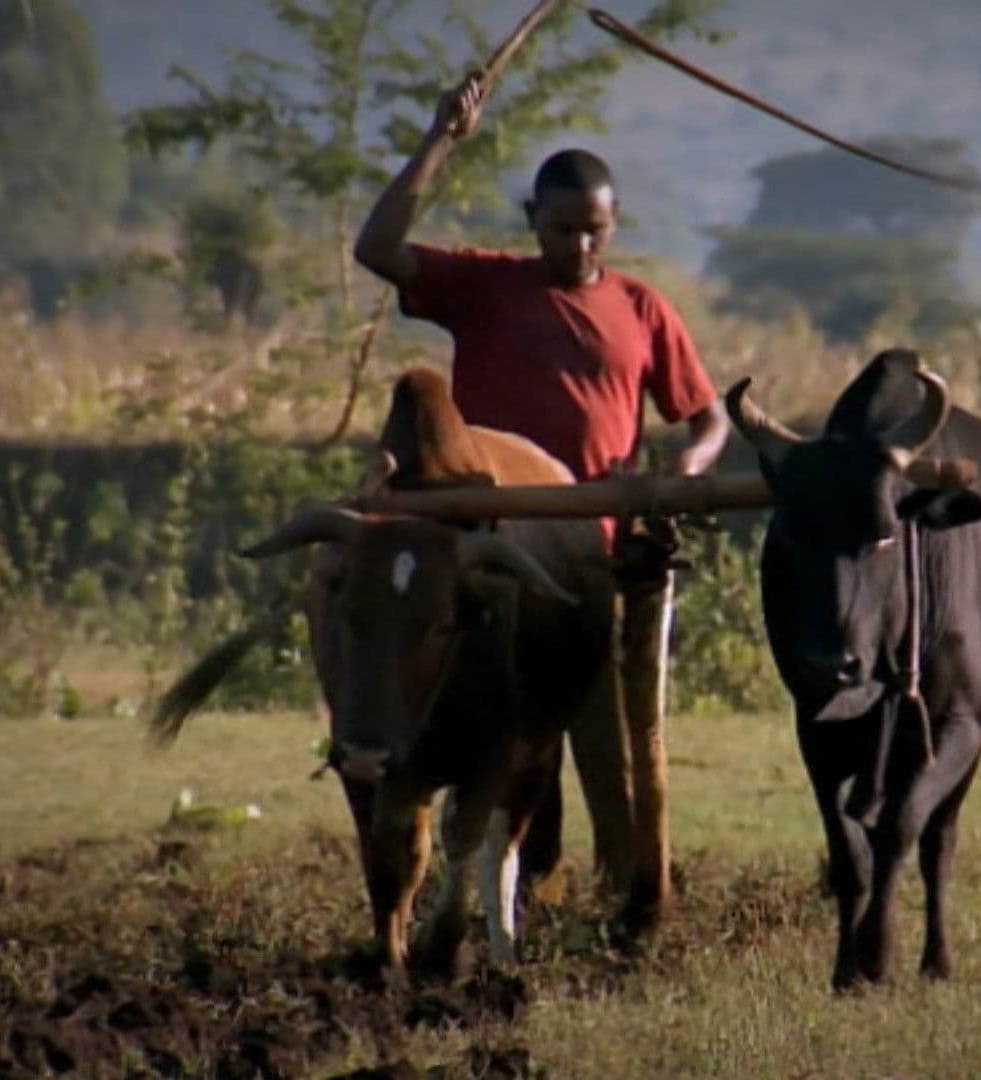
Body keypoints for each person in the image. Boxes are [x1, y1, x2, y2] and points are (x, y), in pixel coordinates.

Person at [352, 70, 729, 930]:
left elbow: (705, 418)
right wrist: (442, 137)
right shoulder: (484, 287)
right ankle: (506, 892)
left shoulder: (641, 308)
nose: (580, 249)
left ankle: (632, 902)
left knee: (608, 744)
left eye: (594, 232)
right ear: (534, 222)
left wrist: (685, 469)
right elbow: (377, 248)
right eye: (562, 230)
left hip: (595, 560)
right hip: (485, 552)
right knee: (489, 735)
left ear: (614, 225)